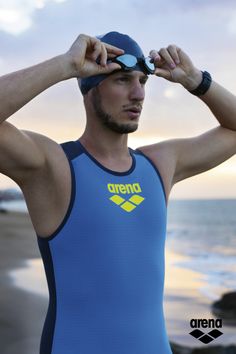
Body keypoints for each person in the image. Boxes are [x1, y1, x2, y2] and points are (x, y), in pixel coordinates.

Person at [0, 31, 235, 354]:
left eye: (142, 81)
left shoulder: (160, 164)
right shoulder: (54, 168)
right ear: (90, 86)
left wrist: (197, 81)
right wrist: (64, 65)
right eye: (123, 80)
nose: (138, 94)